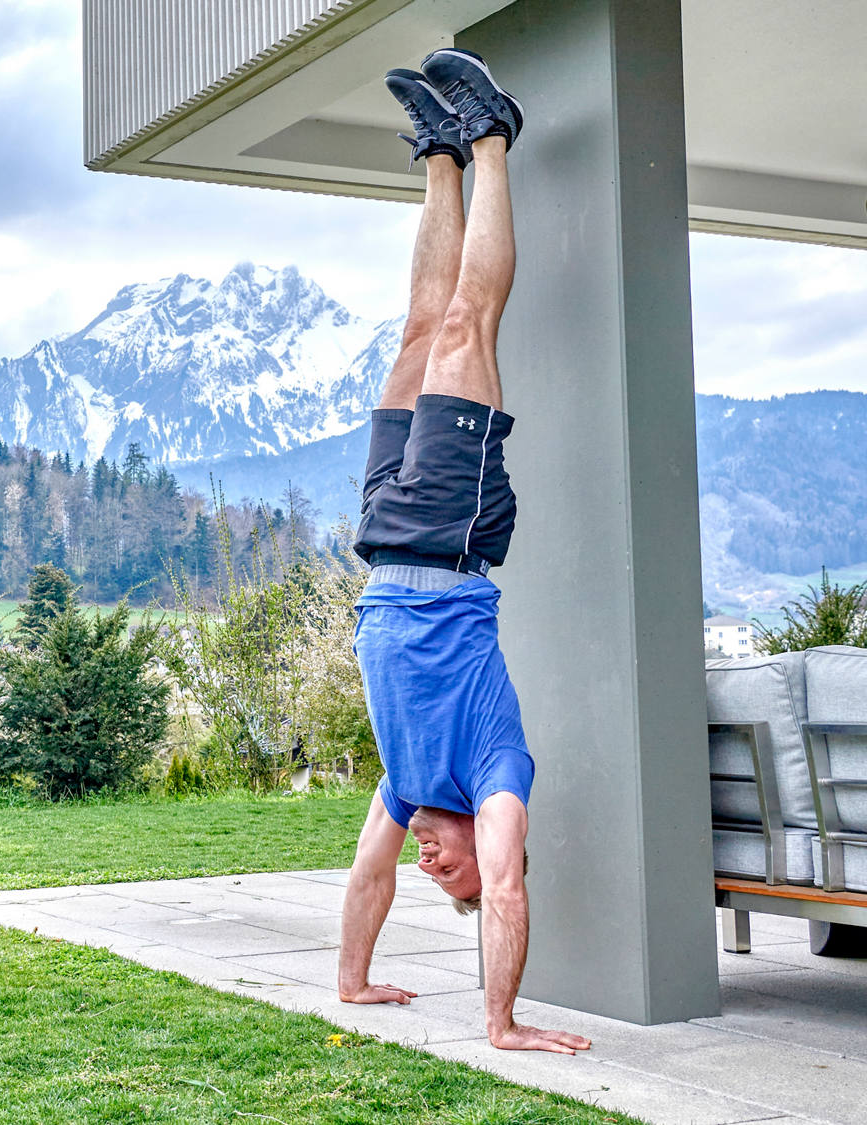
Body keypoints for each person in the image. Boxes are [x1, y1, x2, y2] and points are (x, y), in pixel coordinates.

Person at [333, 48, 591, 1056]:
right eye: (456, 876)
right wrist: (500, 1022)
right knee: (464, 334)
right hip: (450, 539)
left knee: (413, 338)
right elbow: (510, 885)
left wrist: (351, 981)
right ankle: (492, 136)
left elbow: (366, 877)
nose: (435, 866)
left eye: (431, 874)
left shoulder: (403, 786)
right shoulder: (494, 778)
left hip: (383, 543)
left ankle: (438, 158)